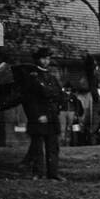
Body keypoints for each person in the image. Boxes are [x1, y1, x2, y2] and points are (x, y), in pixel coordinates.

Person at [25, 47, 68, 181]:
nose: (46, 61)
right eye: (43, 58)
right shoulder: (32, 77)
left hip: (51, 117)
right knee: (38, 147)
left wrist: (56, 109)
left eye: (48, 58)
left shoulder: (51, 78)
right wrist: (38, 115)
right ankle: (38, 173)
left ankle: (53, 173)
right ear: (37, 59)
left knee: (53, 147)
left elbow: (59, 96)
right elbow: (30, 100)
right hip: (39, 117)